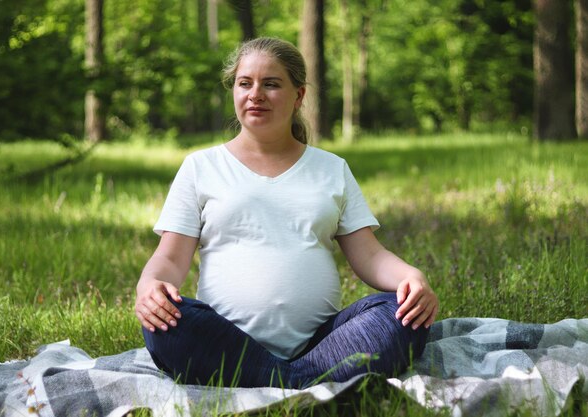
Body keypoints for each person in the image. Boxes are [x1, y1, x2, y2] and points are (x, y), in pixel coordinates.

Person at [135, 37, 438, 389]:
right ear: (233, 90)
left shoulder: (331, 169)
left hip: (323, 343)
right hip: (224, 341)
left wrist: (411, 277)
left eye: (272, 84)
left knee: (401, 314)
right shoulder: (200, 167)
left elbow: (369, 255)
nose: (256, 94)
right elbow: (170, 259)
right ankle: (308, 383)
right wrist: (149, 286)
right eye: (245, 83)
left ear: (299, 95)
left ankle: (274, 380)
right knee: (165, 325)